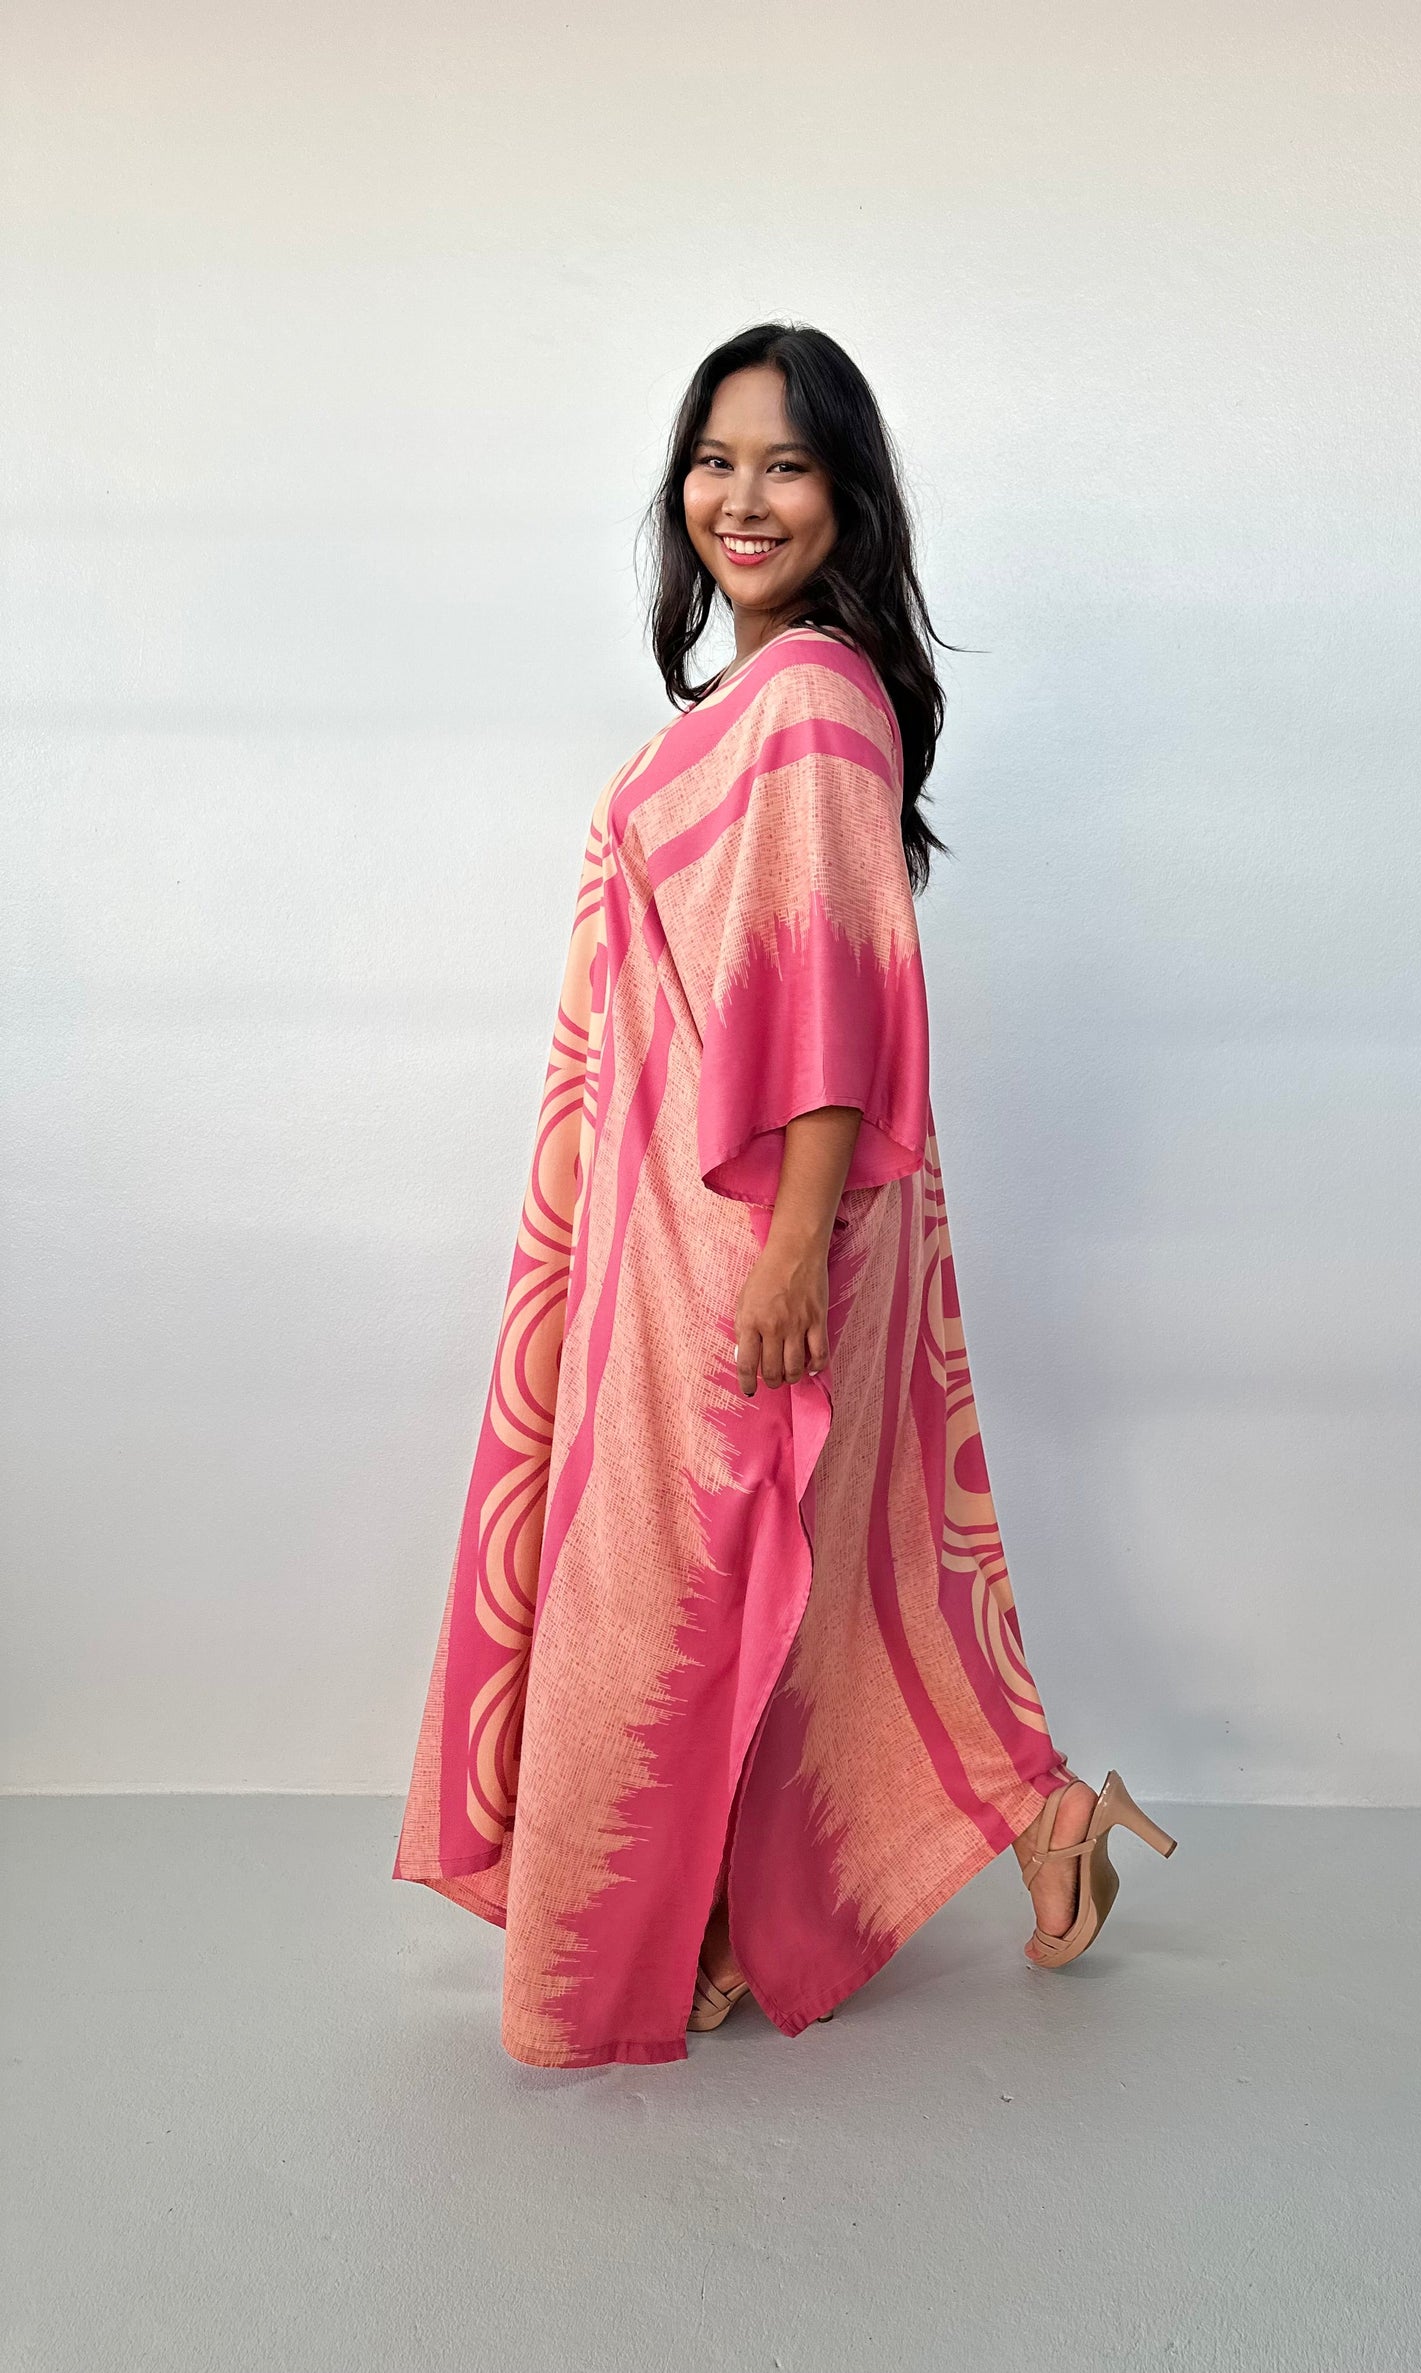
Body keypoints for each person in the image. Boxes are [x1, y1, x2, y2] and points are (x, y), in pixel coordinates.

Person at [393, 321, 1175, 2068]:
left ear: (847, 498)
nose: (742, 498)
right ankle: (996, 1822)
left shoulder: (814, 694)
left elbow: (827, 988)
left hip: (752, 1229)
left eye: (788, 464)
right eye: (715, 460)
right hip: (692, 1223)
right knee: (781, 1569)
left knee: (666, 1579)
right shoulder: (761, 702)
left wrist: (796, 1245)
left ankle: (633, 1936)